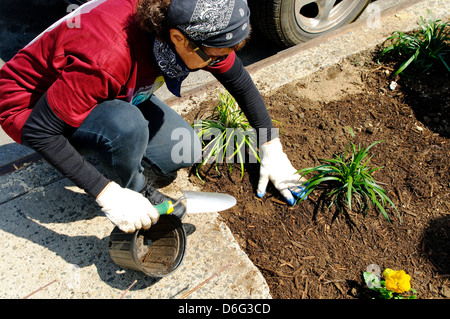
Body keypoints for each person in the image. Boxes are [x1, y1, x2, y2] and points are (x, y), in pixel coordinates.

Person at [0, 0, 307, 234]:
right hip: (30, 107)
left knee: (184, 147)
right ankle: (135, 188)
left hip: (110, 90)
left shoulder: (183, 23)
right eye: (213, 56)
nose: (218, 62)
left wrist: (271, 148)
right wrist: (107, 195)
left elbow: (239, 80)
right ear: (179, 38)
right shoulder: (108, 56)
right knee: (125, 125)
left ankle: (111, 141)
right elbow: (41, 132)